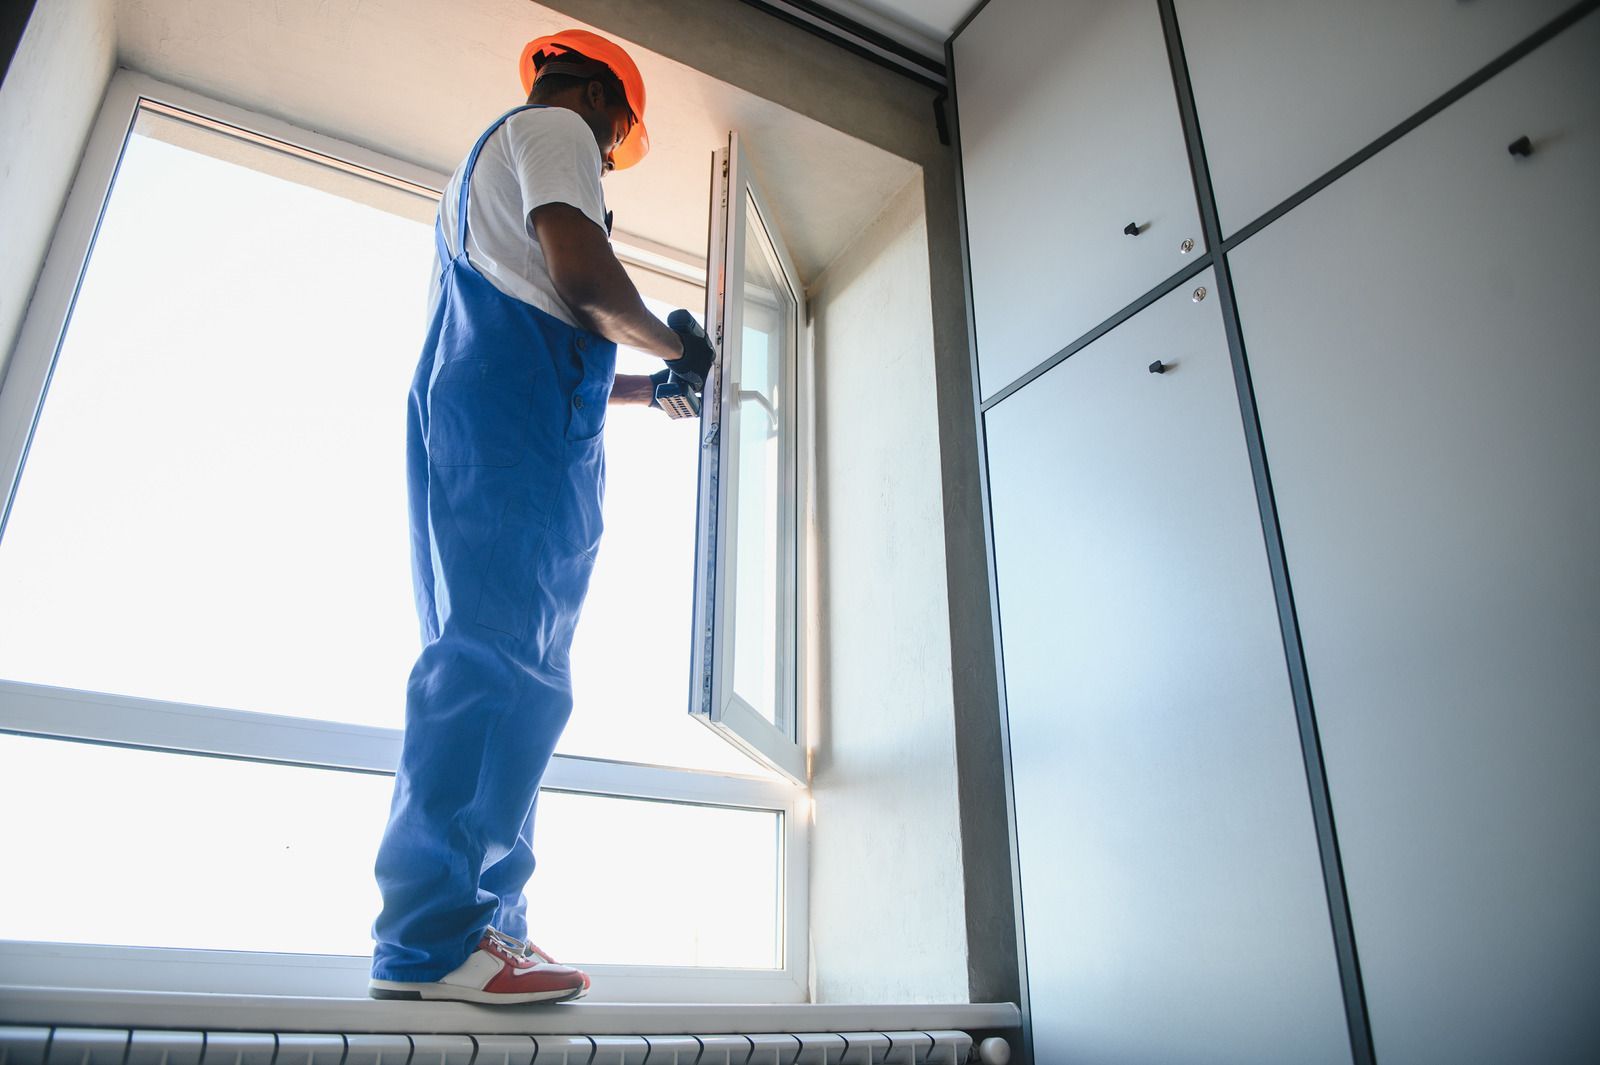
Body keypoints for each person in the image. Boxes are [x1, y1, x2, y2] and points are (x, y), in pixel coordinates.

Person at [367, 28, 715, 1005]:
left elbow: (548, 322)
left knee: (507, 676)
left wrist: (651, 388)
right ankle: (435, 941)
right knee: (496, 671)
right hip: (514, 441)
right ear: (603, 100)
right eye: (618, 142)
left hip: (504, 426)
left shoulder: (492, 169)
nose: (608, 159)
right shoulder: (556, 124)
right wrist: (681, 345)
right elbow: (585, 281)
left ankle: (481, 929)